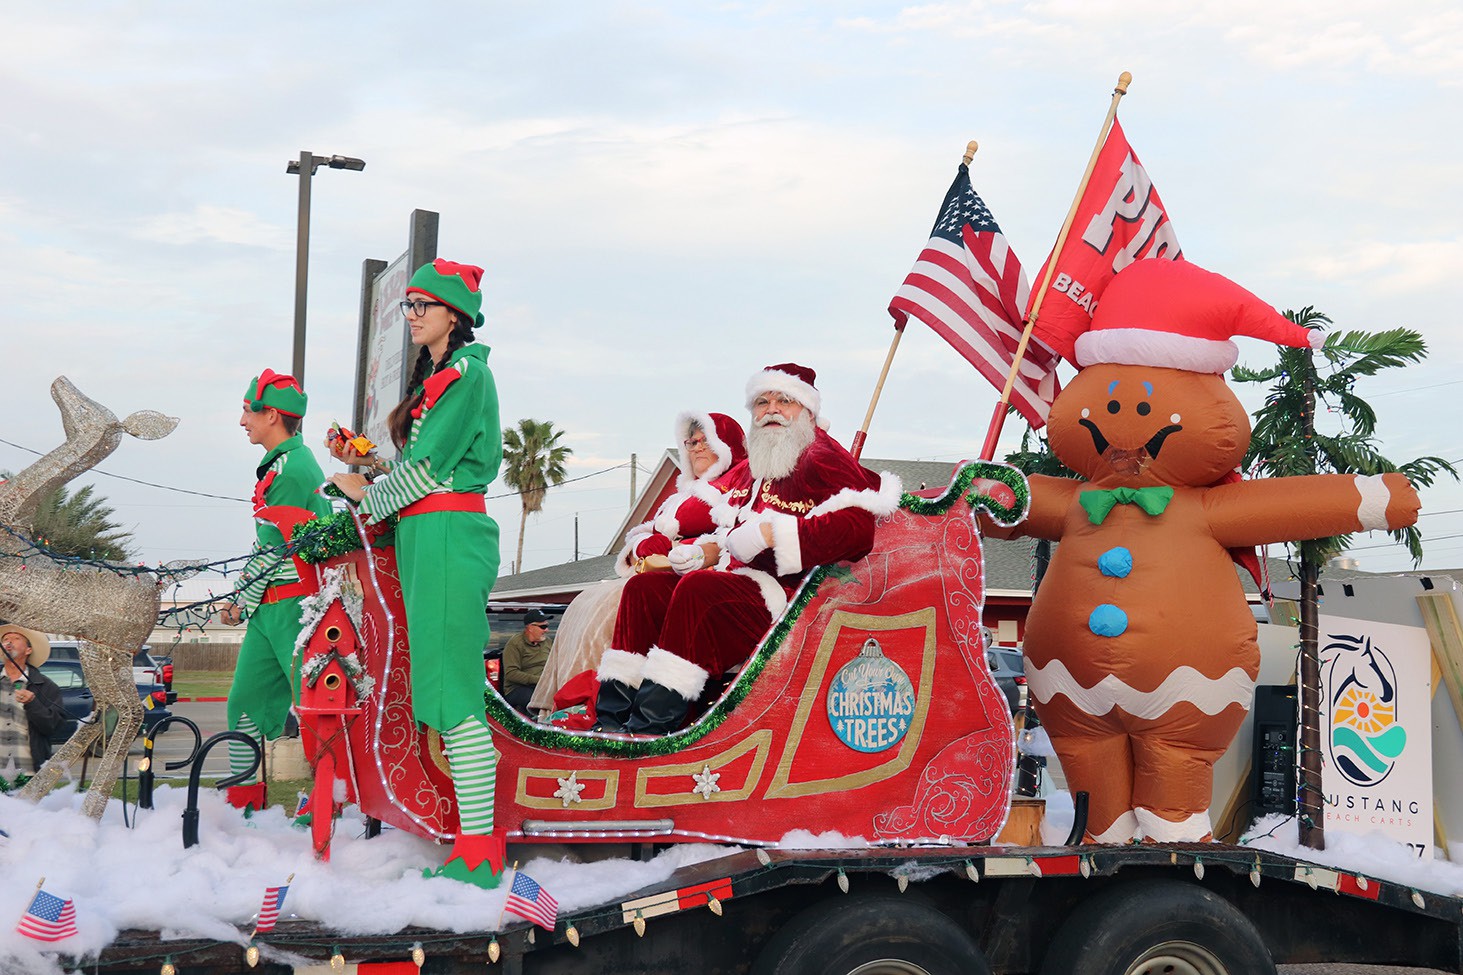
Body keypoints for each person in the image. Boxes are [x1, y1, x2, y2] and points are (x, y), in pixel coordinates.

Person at [595, 364, 901, 734]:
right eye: (762, 401)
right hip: (733, 576)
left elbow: (856, 530)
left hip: (785, 595)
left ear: (807, 410)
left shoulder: (821, 455)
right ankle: (611, 721)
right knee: (645, 590)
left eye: (783, 400)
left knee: (699, 591)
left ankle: (652, 727)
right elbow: (729, 531)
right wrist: (702, 552)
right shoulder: (757, 461)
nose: (771, 409)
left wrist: (772, 534)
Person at [327, 259, 505, 889]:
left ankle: (481, 853)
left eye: (423, 306)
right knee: (435, 687)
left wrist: (362, 493)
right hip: (427, 532)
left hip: (449, 534)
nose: (411, 317)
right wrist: (366, 471)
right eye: (407, 306)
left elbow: (430, 471)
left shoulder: (467, 374)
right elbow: (420, 470)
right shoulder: (440, 376)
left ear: (455, 314)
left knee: (453, 692)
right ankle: (471, 846)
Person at [531, 411, 747, 716]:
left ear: (725, 444)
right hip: (653, 575)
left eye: (704, 440)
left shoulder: (737, 487)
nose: (695, 447)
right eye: (691, 441)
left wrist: (677, 547)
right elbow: (643, 533)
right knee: (585, 602)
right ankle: (563, 700)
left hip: (694, 580)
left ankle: (586, 703)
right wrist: (642, 545)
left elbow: (730, 538)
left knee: (611, 606)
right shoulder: (680, 494)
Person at [220, 370, 331, 807]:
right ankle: (243, 802)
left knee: (316, 712)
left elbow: (273, 551)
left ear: (272, 415)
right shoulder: (282, 464)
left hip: (294, 608)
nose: (242, 420)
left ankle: (329, 805)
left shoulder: (293, 469)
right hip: (272, 608)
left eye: (248, 411)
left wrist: (236, 602)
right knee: (244, 702)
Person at [0, 623, 68, 776]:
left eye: (16, 638)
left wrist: (33, 704)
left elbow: (52, 727)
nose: (9, 642)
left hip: (28, 772)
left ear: (28, 650)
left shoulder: (46, 687)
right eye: (5, 639)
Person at [501, 609, 554, 713]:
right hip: (518, 689)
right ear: (530, 628)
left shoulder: (548, 642)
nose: (546, 630)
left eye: (547, 626)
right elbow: (511, 674)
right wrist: (539, 681)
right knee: (537, 700)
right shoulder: (515, 644)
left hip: (543, 686)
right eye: (542, 627)